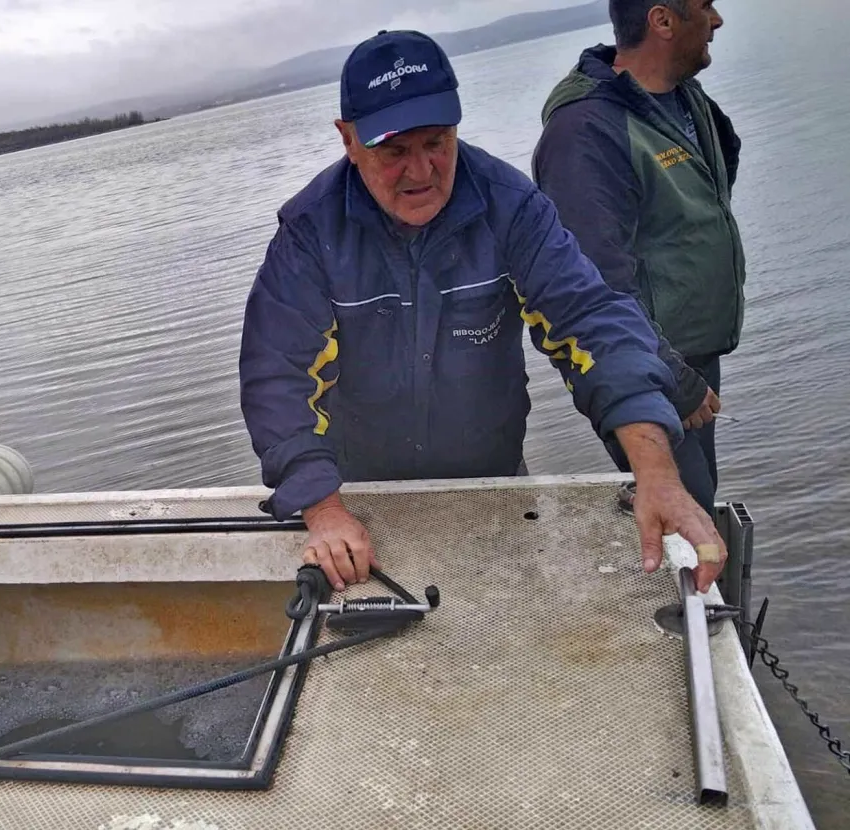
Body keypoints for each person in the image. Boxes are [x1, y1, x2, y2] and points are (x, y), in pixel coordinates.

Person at [237, 29, 727, 595]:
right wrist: (321, 508)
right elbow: (278, 376)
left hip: (494, 483)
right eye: (394, 151)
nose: (420, 171)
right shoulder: (309, 232)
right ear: (349, 140)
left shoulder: (510, 207)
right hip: (360, 498)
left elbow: (591, 320)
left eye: (436, 143)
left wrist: (655, 471)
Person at [531, 0, 744, 517]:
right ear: (662, 20)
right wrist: (673, 375)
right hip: (645, 368)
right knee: (684, 518)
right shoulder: (584, 133)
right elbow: (593, 284)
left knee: (699, 502)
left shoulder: (686, 99)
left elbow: (708, 192)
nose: (717, 20)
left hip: (694, 352)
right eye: (704, 6)